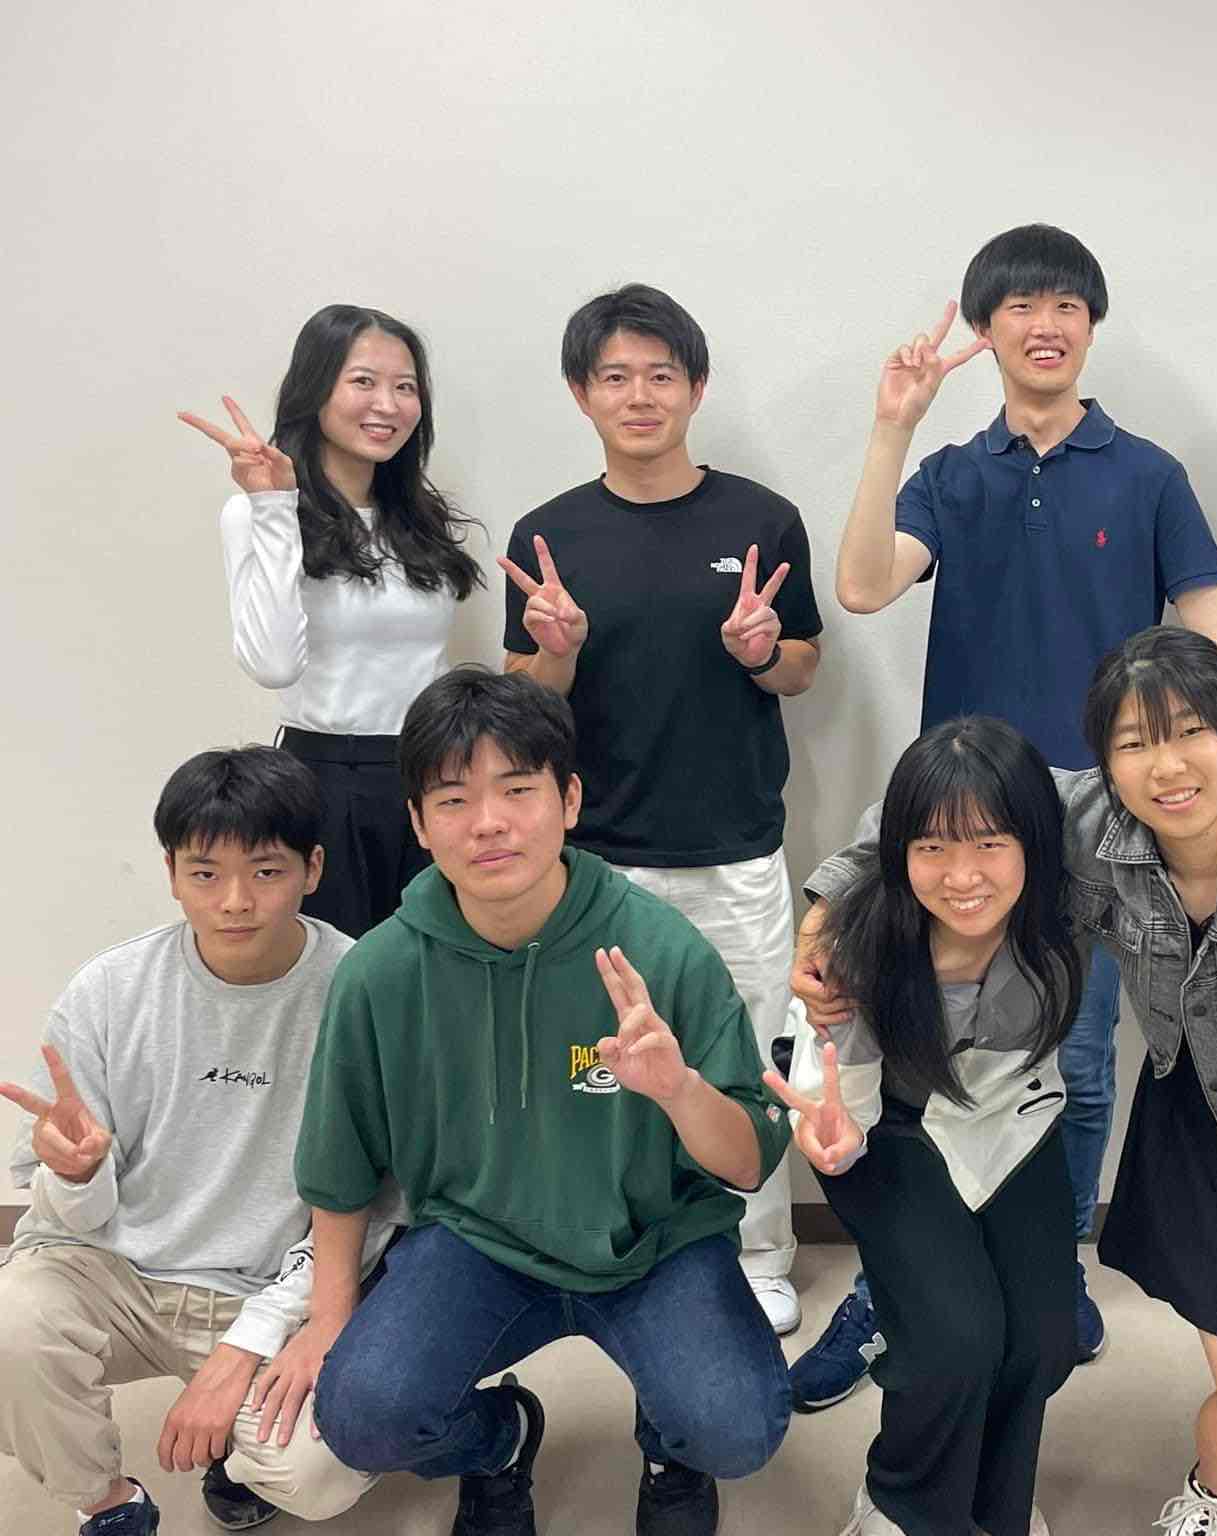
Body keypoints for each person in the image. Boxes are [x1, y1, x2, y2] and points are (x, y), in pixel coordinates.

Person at [800, 628, 1217, 1536]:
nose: (1165, 767)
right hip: (1205, 1120)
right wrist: (826, 906)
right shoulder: (1090, 819)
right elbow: (932, 811)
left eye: (1191, 732)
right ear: (1103, 762)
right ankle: (1212, 1489)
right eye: (1134, 742)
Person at [799, 221, 1217, 1407]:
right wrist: (891, 428)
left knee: (1080, 1061)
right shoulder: (954, 474)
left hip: (1099, 818)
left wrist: (1190, 745)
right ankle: (898, 1281)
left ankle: (1051, 1269)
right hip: (963, 816)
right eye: (1019, 306)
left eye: (1065, 305)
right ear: (986, 328)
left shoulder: (1146, 475)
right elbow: (860, 585)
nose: (1043, 325)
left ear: (1090, 326)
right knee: (924, 1054)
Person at [295, 669, 791, 1536]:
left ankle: (670, 1447)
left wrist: (679, 1090)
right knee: (360, 1415)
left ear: (569, 800)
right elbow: (339, 1169)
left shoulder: (659, 949)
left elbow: (748, 1162)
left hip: (654, 1245)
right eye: (453, 799)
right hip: (475, 1243)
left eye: (517, 789)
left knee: (736, 1427)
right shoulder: (379, 974)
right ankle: (499, 1444)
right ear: (419, 823)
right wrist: (328, 1324)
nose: (487, 822)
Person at [499, 282, 822, 1336]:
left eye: (660, 375)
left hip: (733, 848)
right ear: (580, 394)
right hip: (594, 859)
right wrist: (553, 648)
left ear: (696, 387)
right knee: (601, 1064)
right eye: (615, 377)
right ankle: (611, 1242)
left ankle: (758, 1257)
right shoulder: (547, 536)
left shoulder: (760, 520)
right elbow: (525, 699)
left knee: (747, 1058)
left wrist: (762, 651)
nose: (639, 396)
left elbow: (804, 667)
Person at [0, 747, 389, 1535]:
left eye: (266, 872)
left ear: (313, 869)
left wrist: (251, 1342)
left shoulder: (363, 992)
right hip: (112, 1267)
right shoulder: (111, 991)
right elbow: (72, 1221)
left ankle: (239, 1456)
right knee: (10, 1333)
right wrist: (77, 1173)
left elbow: (376, 1205)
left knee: (312, 1473)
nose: (235, 901)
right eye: (205, 874)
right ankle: (109, 1505)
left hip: (269, 1282)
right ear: (172, 874)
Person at [764, 716, 1081, 1536]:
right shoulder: (865, 939)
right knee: (954, 1341)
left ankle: (996, 1500)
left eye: (990, 845)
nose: (962, 876)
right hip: (889, 1131)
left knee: (1044, 1338)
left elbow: (1173, 826)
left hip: (1014, 1122)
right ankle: (903, 1501)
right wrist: (834, 1138)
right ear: (899, 849)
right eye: (932, 847)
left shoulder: (1068, 899)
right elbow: (838, 1094)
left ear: (1034, 842)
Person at [182, 304, 485, 937]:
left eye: (405, 387)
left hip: (433, 773)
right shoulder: (260, 515)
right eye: (363, 382)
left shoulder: (419, 519)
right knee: (336, 969)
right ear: (316, 388)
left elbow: (427, 665)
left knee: (438, 960)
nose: (388, 405)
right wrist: (273, 505)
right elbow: (272, 665)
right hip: (325, 778)